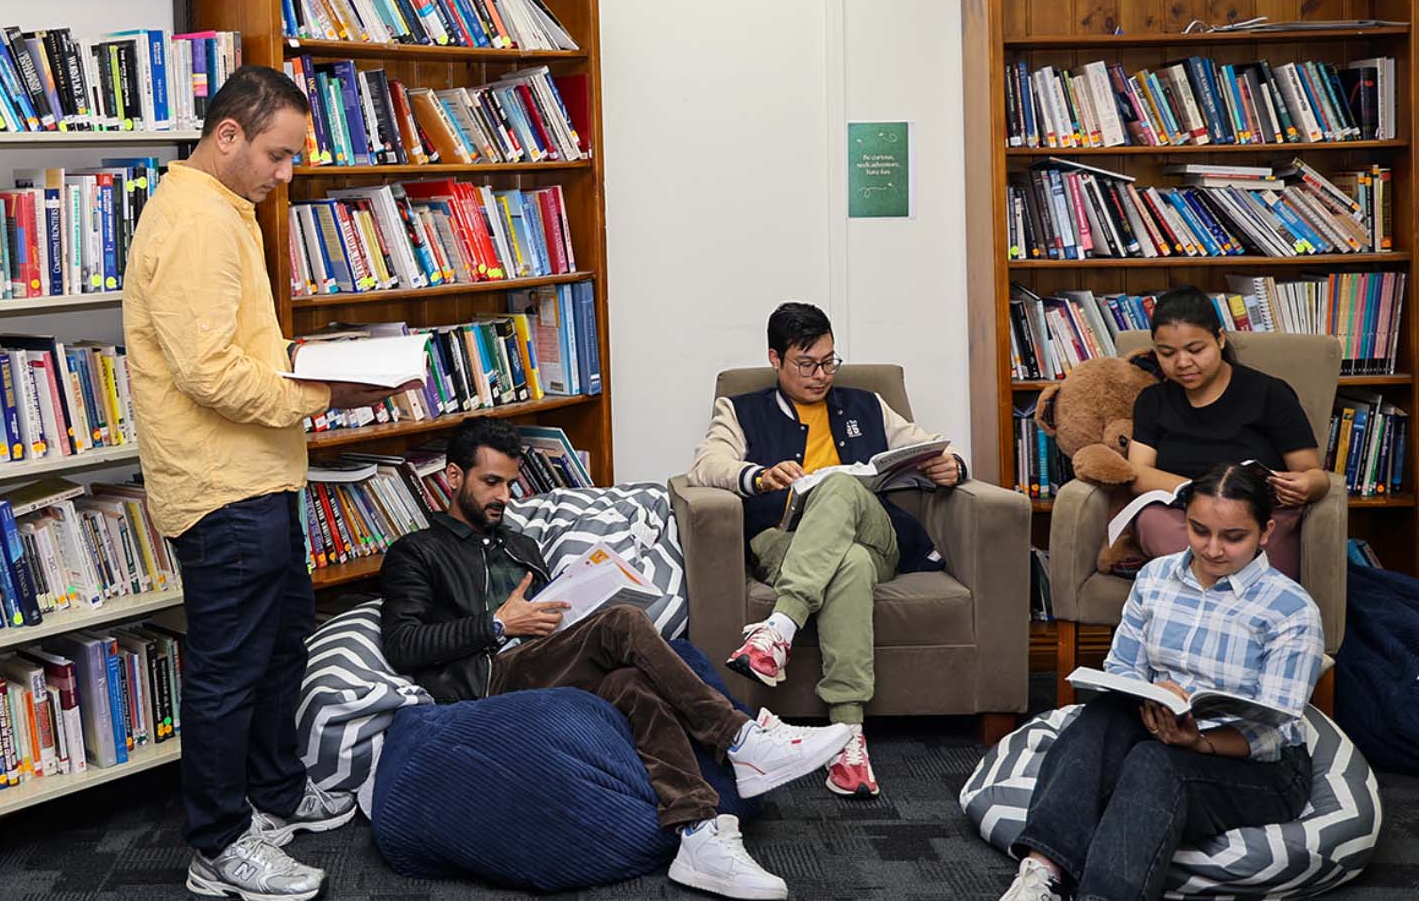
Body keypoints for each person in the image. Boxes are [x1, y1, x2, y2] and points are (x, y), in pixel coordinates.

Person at [123, 65, 401, 901]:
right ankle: (217, 845)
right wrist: (329, 393)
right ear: (229, 135)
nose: (286, 175)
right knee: (226, 672)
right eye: (279, 156)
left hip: (261, 474)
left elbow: (240, 352)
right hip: (220, 485)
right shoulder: (196, 222)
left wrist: (317, 369)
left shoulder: (227, 209)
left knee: (281, 646)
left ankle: (276, 798)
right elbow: (209, 375)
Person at [379, 417, 854, 901]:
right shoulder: (417, 552)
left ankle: (697, 832)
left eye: (510, 483)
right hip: (488, 676)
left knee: (633, 680)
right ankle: (740, 738)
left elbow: (550, 615)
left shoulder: (520, 544)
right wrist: (499, 623)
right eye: (491, 483)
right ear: (454, 478)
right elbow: (404, 644)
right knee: (622, 623)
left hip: (549, 660)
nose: (504, 496)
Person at [999, 462, 1322, 901]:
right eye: (1199, 530)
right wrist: (1155, 699)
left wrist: (1199, 744)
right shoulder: (1156, 578)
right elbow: (1123, 668)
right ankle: (1042, 872)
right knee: (1102, 716)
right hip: (1164, 728)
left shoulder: (1291, 609)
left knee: (1154, 764)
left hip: (1255, 765)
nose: (1212, 549)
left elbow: (1276, 730)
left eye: (1233, 537)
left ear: (1265, 532)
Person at [687, 302, 966, 798]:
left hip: (873, 534)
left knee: (839, 489)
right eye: (807, 364)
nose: (821, 375)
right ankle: (849, 737)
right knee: (849, 565)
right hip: (788, 543)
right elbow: (707, 465)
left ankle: (779, 628)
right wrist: (757, 476)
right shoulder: (741, 410)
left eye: (829, 362)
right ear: (775, 359)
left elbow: (928, 446)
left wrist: (953, 467)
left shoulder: (867, 404)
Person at [1125, 287, 1327, 580]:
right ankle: (1226, 587)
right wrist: (1208, 495)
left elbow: (1315, 475)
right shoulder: (1152, 401)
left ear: (1219, 338)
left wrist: (1307, 484)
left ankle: (1203, 588)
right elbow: (1138, 474)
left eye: (1195, 350)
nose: (1182, 363)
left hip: (1255, 521)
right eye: (1167, 353)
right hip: (1185, 520)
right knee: (1152, 521)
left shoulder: (1269, 393)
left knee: (1255, 537)